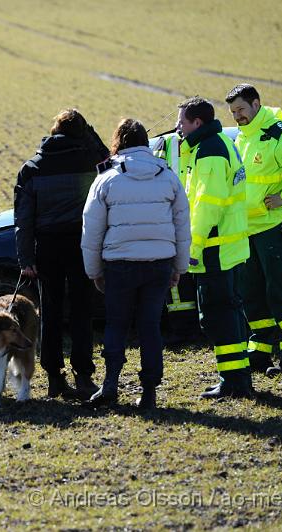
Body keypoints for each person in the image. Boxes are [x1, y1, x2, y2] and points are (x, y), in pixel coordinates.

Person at [81, 119, 191, 409]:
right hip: (160, 264)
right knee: (150, 326)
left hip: (120, 265)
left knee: (116, 325)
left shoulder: (106, 178)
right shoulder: (167, 175)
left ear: (118, 142)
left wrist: (94, 271)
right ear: (145, 142)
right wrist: (179, 267)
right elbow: (182, 224)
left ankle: (110, 386)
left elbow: (91, 230)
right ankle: (149, 391)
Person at [14, 108, 110, 399]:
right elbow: (107, 155)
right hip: (82, 243)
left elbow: (23, 219)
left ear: (54, 131)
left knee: (51, 311)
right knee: (82, 310)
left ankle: (54, 377)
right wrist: (89, 131)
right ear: (82, 133)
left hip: (47, 247)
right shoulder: (90, 160)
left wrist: (25, 259)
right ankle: (83, 376)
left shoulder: (32, 167)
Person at [226, 84, 282, 378]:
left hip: (274, 226)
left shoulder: (278, 132)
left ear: (256, 104)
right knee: (251, 292)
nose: (237, 116)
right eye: (233, 112)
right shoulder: (243, 136)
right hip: (247, 228)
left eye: (241, 109)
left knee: (281, 290)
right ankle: (260, 351)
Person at [176, 97, 252, 399]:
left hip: (215, 250)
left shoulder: (209, 151)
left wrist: (192, 246)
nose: (178, 128)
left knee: (218, 315)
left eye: (182, 122)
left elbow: (207, 206)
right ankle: (238, 378)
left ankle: (233, 382)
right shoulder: (216, 143)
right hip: (226, 248)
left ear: (197, 123)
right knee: (228, 313)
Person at [152, 132, 200, 346]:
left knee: (187, 279)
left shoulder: (210, 144)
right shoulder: (167, 143)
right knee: (179, 283)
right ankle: (183, 328)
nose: (180, 125)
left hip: (194, 218)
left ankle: (189, 329)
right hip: (177, 217)